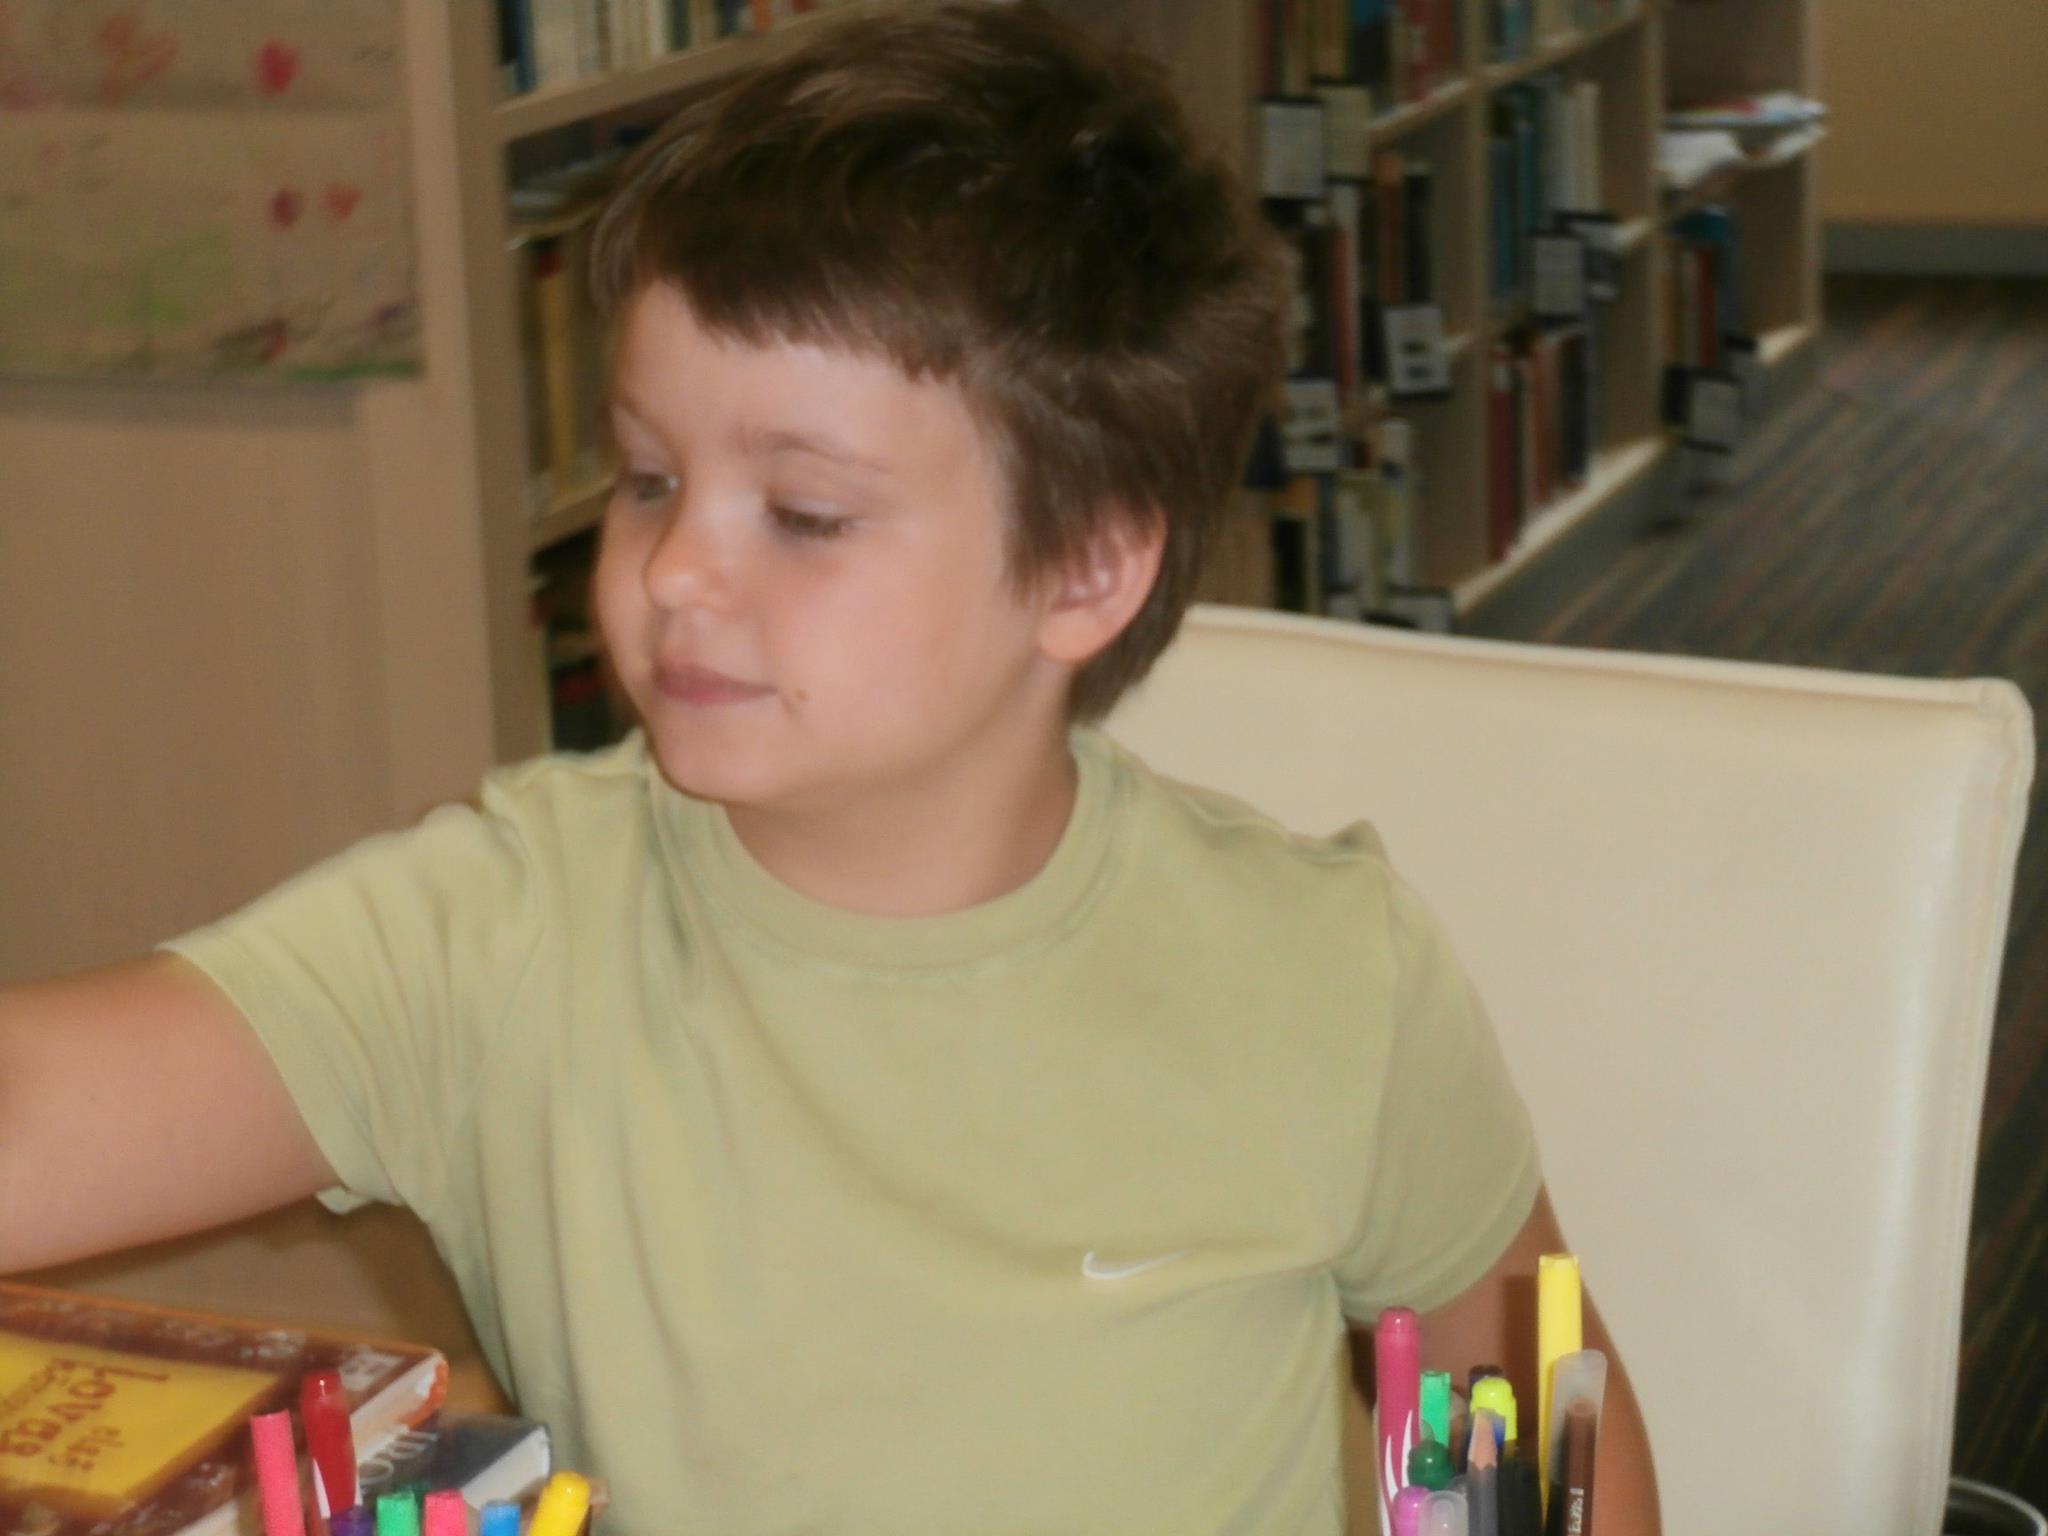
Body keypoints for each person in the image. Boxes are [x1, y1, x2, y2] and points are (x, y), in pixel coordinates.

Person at [0, 4, 1660, 1532]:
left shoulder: (1328, 978)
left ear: (1088, 566)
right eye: (649, 480)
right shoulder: (504, 931)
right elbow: (43, 1115)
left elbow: (1523, 1423)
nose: (673, 574)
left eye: (802, 513)